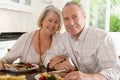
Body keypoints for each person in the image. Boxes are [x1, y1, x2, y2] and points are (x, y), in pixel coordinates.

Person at [43, 1, 120, 80]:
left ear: (84, 17)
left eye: (75, 17)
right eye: (66, 19)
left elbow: (115, 71)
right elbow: (47, 56)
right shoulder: (65, 37)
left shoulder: (102, 37)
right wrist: (58, 65)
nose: (71, 23)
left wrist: (88, 77)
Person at [0, 5, 62, 70]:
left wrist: (63, 57)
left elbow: (70, 55)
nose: (52, 25)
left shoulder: (59, 39)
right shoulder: (25, 38)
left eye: (56, 22)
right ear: (42, 20)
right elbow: (6, 59)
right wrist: (1, 62)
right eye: (50, 20)